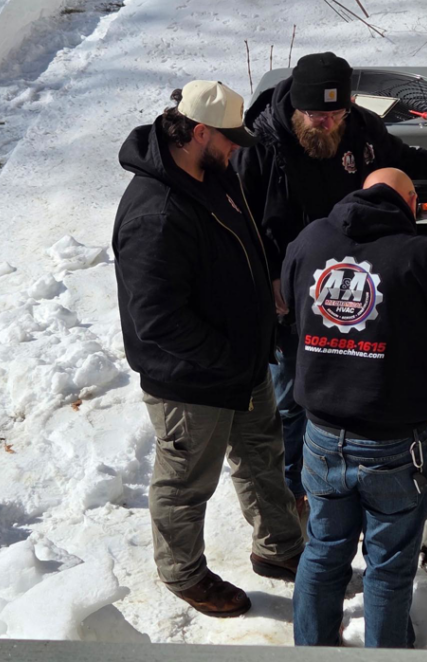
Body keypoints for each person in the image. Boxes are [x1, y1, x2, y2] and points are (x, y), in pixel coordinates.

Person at [234, 52, 427, 509]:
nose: (327, 124)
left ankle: (341, 479)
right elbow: (240, 227)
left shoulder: (358, 129)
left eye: (336, 114)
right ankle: (289, 496)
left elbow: (401, 158)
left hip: (349, 282)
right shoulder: (259, 147)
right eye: (318, 115)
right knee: (291, 401)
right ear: (296, 107)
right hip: (288, 291)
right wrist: (269, 279)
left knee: (343, 388)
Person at [280, 168, 427, 647]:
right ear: (412, 203)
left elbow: (290, 299)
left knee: (323, 553)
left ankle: (312, 651)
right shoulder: (425, 256)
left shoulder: (310, 239)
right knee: (388, 567)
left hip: (320, 437)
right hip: (392, 447)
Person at [112, 81, 304, 618]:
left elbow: (244, 239)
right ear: (199, 132)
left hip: (242, 364)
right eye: (229, 138)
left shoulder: (215, 175)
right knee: (184, 484)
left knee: (263, 457)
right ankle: (184, 575)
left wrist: (266, 283)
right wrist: (225, 358)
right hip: (193, 382)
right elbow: (157, 320)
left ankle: (281, 549)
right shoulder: (156, 214)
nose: (238, 148)